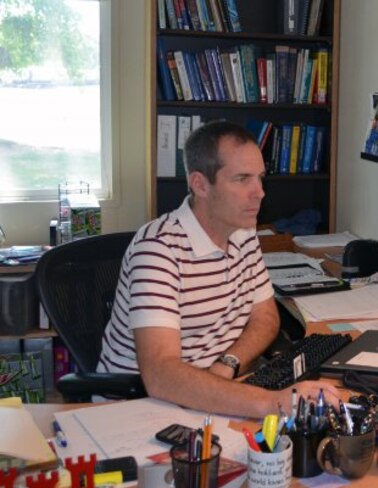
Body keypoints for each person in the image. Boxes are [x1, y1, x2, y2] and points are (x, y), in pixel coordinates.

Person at [98, 121, 342, 418]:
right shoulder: (158, 249)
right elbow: (161, 374)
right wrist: (273, 402)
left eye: (260, 178)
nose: (260, 192)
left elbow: (265, 317)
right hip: (144, 408)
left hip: (215, 394)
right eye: (242, 179)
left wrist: (228, 362)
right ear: (200, 184)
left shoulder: (243, 231)